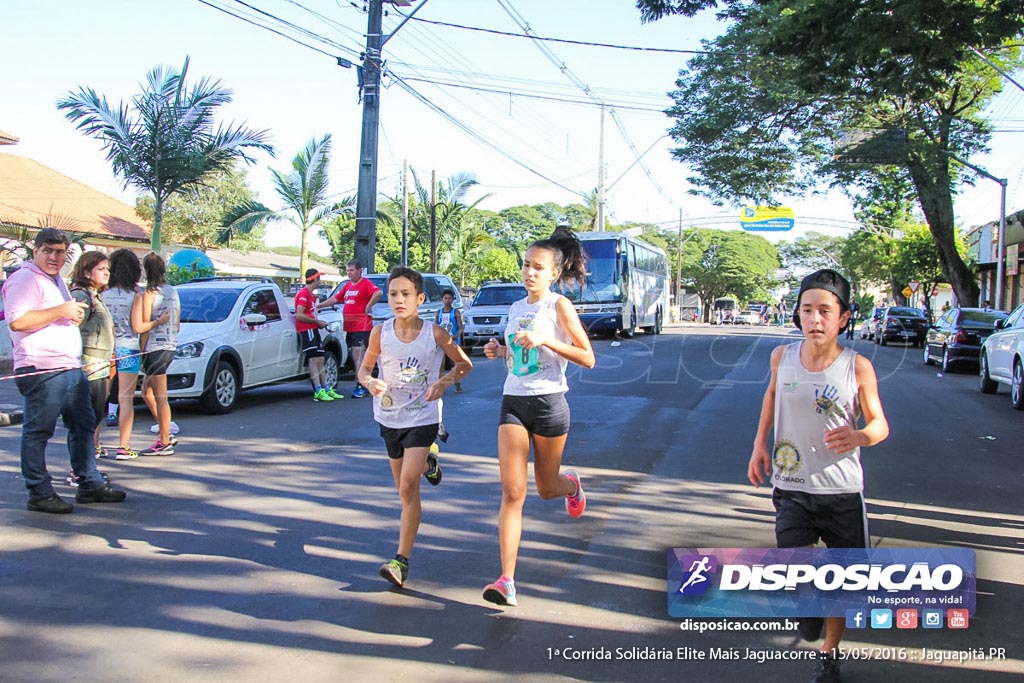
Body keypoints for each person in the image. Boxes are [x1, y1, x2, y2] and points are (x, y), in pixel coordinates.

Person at [747, 269, 889, 683]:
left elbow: (880, 423)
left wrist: (861, 434)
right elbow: (771, 394)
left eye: (825, 311)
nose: (815, 319)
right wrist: (759, 444)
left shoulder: (857, 366)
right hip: (791, 486)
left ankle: (829, 655)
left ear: (844, 317)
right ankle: (804, 606)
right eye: (807, 310)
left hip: (842, 491)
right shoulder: (782, 357)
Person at [481, 227, 596, 607]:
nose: (529, 272)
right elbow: (518, 360)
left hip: (550, 404)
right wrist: (500, 351)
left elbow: (587, 357)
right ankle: (506, 580)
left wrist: (546, 339)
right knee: (513, 492)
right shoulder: (515, 308)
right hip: (513, 402)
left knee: (546, 489)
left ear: (553, 274)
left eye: (538, 267)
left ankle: (571, 485)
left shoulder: (558, 307)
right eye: (526, 265)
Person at [358, 266, 472, 587]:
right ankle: (429, 462)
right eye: (393, 294)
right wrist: (370, 382)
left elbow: (465, 364)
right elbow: (364, 370)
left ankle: (401, 561)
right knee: (403, 492)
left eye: (405, 294)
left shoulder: (435, 334)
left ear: (420, 298)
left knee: (409, 486)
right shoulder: (380, 333)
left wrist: (444, 382)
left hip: (423, 417)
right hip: (389, 417)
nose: (398, 299)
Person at [2, 227, 127, 513]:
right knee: (38, 429)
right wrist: (61, 311)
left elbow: (56, 314)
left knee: (83, 424)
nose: (54, 257)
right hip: (42, 368)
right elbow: (18, 321)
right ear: (36, 251)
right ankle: (39, 492)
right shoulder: (24, 278)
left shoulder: (54, 279)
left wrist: (70, 315)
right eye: (48, 251)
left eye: (60, 252)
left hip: (69, 365)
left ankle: (89, 483)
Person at [68, 251, 116, 476]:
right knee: (85, 422)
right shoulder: (81, 295)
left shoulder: (94, 295)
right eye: (101, 269)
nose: (107, 272)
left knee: (94, 418)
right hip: (88, 365)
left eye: (107, 269)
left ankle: (86, 470)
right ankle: (79, 472)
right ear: (87, 272)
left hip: (100, 364)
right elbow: (72, 331)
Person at [102, 249, 145, 459]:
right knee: (126, 398)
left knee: (99, 398)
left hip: (105, 349)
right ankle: (123, 447)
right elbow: (138, 327)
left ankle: (94, 445)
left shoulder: (102, 294)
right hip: (128, 347)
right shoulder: (136, 295)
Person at [136, 253, 179, 456]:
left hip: (155, 347)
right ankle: (164, 431)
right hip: (170, 345)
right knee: (147, 391)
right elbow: (177, 323)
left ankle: (164, 439)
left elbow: (144, 327)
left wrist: (142, 352)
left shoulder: (149, 294)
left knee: (160, 396)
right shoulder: (173, 292)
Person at [322, 258, 381, 398]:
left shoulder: (365, 284)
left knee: (358, 355)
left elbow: (378, 293)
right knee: (355, 357)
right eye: (347, 270)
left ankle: (362, 385)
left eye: (352, 270)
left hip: (362, 326)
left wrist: (368, 306)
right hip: (350, 327)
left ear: (359, 270)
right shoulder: (347, 286)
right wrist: (319, 306)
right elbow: (335, 299)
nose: (349, 273)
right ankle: (365, 383)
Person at [296, 268, 341, 402]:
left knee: (321, 358)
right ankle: (318, 390)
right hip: (307, 329)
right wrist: (317, 322)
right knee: (313, 359)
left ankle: (326, 388)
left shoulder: (311, 295)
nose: (320, 282)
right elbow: (299, 314)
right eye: (318, 279)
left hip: (313, 328)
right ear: (313, 279)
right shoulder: (303, 294)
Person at [436, 289, 464, 393]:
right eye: (445, 298)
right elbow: (435, 326)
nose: (447, 300)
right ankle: (441, 387)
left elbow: (460, 327)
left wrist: (456, 336)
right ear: (442, 299)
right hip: (441, 341)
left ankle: (457, 383)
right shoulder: (438, 312)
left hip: (453, 341)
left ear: (452, 300)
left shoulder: (455, 312)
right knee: (440, 364)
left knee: (454, 363)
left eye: (449, 298)